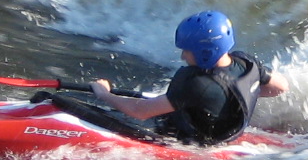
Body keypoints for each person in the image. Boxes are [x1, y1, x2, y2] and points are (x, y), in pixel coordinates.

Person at [91, 10, 286, 145]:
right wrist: (231, 98)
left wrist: (104, 94)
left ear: (205, 53)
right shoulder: (247, 63)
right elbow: (281, 87)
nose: (183, 56)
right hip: (230, 134)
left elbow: (140, 111)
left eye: (187, 50)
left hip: (194, 141)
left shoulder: (195, 83)